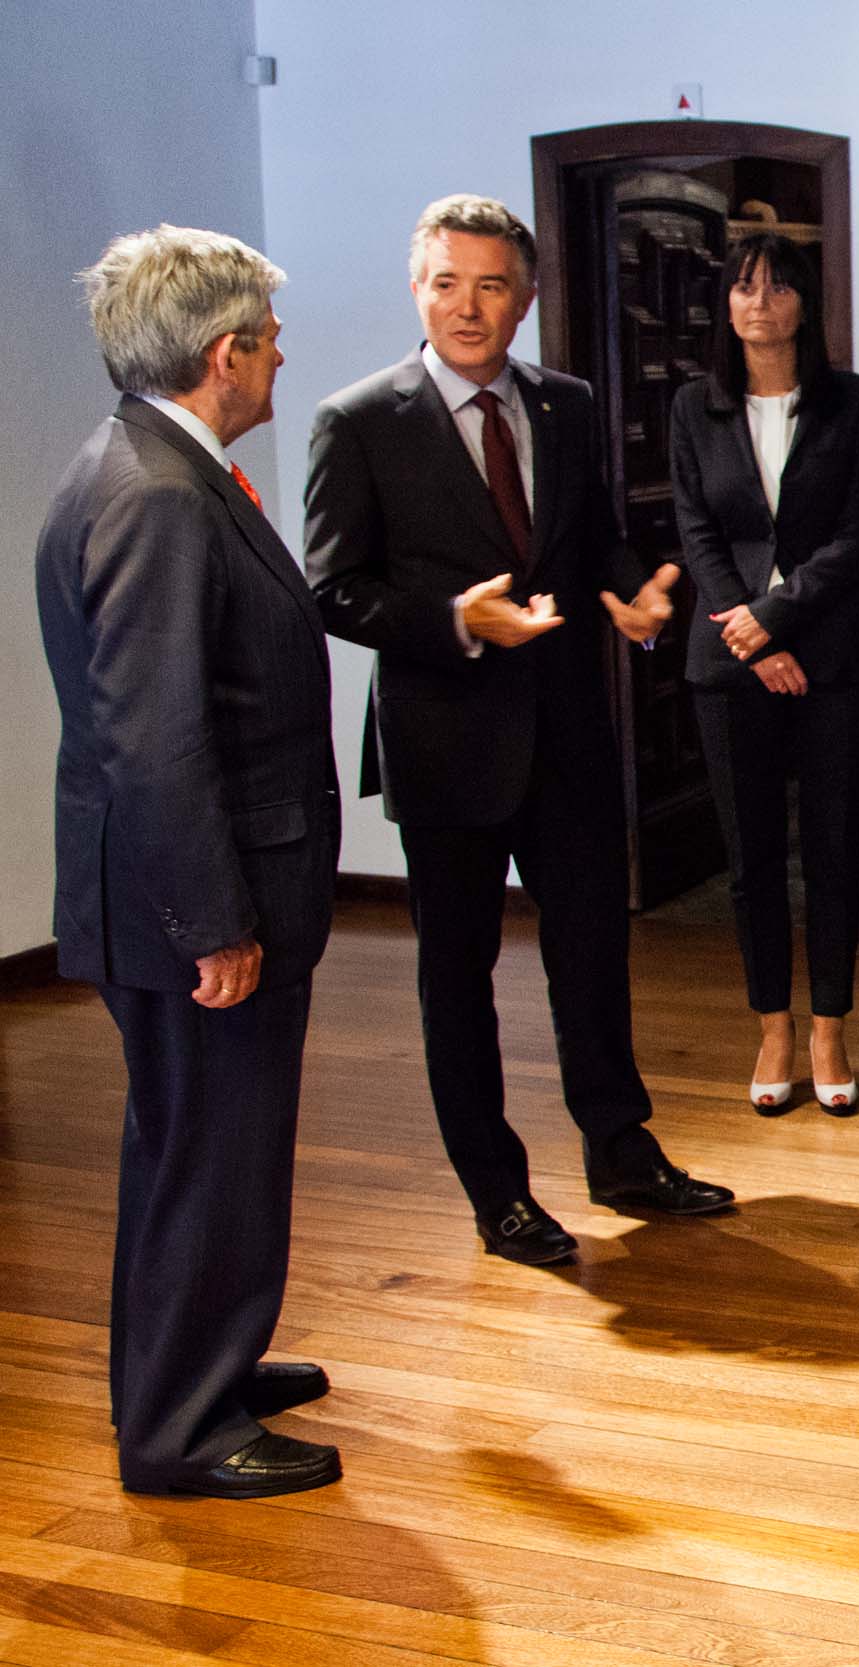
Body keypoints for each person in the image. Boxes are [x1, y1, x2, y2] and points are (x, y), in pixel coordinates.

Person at [304, 194, 733, 1267]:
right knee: (459, 978)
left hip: (567, 734)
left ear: (526, 297)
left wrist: (632, 592)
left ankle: (622, 1152)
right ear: (417, 289)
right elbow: (334, 589)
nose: (467, 306)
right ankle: (495, 1191)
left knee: (593, 956)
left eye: (491, 285)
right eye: (446, 283)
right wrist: (456, 619)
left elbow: (592, 539)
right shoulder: (357, 419)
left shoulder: (566, 403)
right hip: (444, 745)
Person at [36, 226, 342, 1497]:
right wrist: (214, 921)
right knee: (210, 1157)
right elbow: (156, 736)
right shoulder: (160, 494)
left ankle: (190, 1371)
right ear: (225, 354)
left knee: (191, 1151)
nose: (280, 358)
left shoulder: (144, 461)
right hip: (196, 906)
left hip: (180, 889)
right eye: (269, 339)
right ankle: (184, 1429)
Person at [669, 232, 859, 1115]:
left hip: (837, 655)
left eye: (777, 287)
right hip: (731, 660)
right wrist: (753, 638)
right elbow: (697, 531)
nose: (758, 303)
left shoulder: (855, 402)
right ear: (725, 304)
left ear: (805, 304)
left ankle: (830, 1027)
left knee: (833, 849)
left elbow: (853, 536)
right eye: (743, 287)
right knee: (751, 856)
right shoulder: (693, 407)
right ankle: (772, 1026)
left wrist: (777, 617)